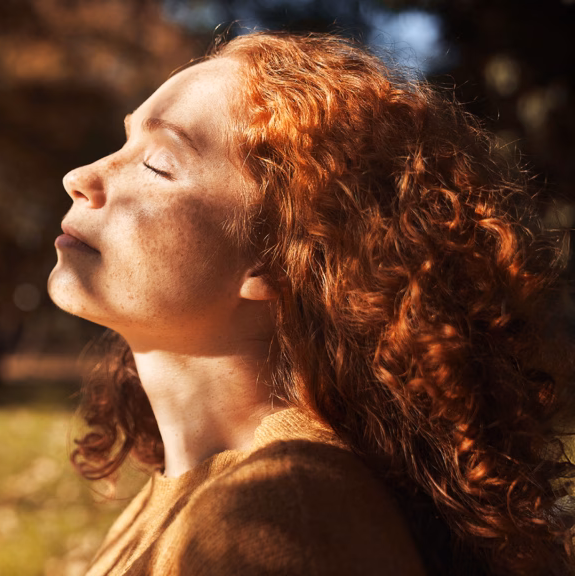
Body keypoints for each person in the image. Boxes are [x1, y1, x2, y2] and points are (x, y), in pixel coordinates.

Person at [47, 31, 575, 576]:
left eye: (157, 164)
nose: (80, 177)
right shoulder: (185, 497)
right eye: (125, 142)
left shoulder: (284, 509)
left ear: (277, 260)